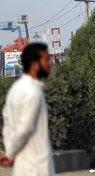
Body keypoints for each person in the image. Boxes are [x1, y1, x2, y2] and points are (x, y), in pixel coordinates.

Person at [1, 42, 55, 175]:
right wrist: (11, 153)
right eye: (46, 59)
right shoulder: (33, 92)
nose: (50, 63)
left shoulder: (15, 89)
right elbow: (24, 128)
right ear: (34, 64)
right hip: (36, 167)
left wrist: (9, 152)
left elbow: (7, 123)